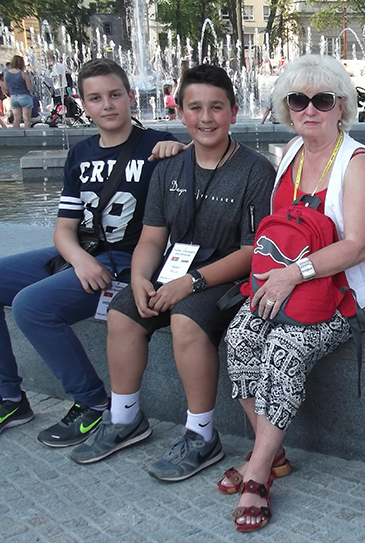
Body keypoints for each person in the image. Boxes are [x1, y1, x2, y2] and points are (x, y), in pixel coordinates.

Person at [70, 65, 276, 480]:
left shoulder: (255, 170)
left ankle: (201, 434)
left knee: (185, 318)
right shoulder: (168, 168)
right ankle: (125, 417)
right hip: (176, 271)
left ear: (234, 112)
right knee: (123, 311)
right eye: (195, 108)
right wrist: (140, 277)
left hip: (229, 279)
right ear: (179, 113)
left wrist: (191, 282)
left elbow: (253, 252)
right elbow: (151, 238)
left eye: (216, 107)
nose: (206, 118)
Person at [223, 54, 365, 532]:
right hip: (293, 285)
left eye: (323, 100)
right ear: (287, 107)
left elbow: (357, 246)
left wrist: (292, 275)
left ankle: (258, 470)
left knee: (284, 347)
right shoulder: (293, 154)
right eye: (299, 100)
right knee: (239, 339)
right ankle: (272, 453)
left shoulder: (357, 163)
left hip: (352, 293)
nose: (310, 109)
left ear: (342, 106)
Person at [0, 59, 181, 442]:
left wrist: (181, 149)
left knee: (31, 306)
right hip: (85, 256)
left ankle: (94, 404)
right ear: (83, 104)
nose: (107, 104)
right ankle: (10, 397)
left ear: (130, 96)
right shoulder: (80, 153)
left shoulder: (157, 146)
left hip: (128, 263)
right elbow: (64, 230)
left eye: (115, 95)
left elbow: (206, 159)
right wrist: (79, 260)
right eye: (96, 98)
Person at [2, 55, 34, 128]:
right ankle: (27, 134)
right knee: (26, 119)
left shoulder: (6, 74)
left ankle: (15, 134)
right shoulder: (23, 74)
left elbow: (6, 88)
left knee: (16, 119)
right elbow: (29, 88)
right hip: (24, 97)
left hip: (13, 98)